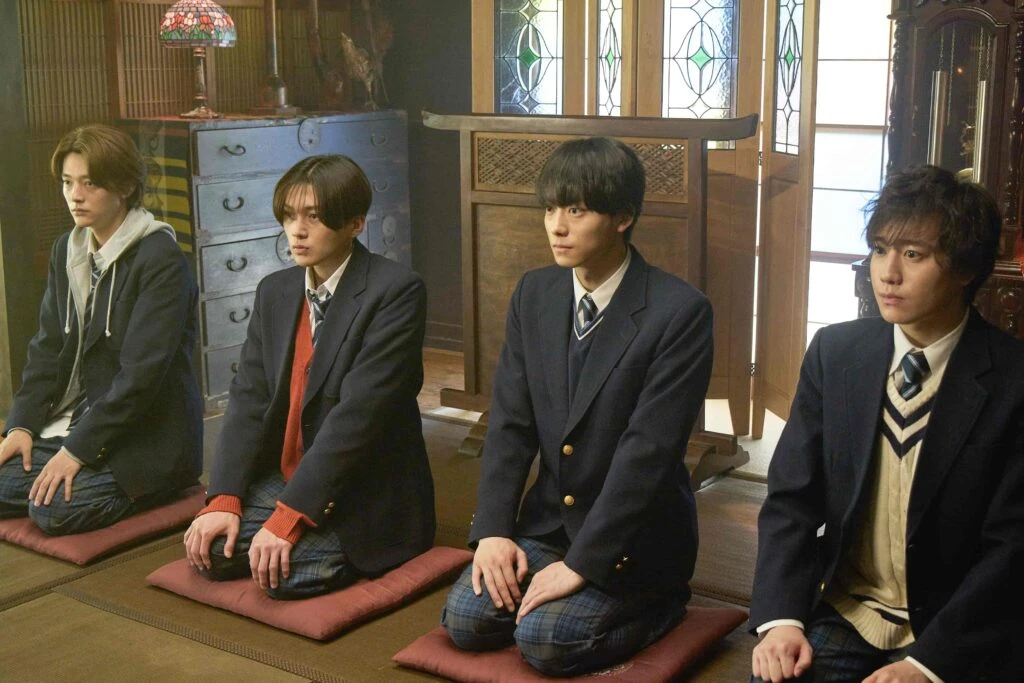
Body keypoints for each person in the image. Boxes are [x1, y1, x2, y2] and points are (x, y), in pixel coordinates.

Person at [441, 137, 713, 675]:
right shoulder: (534, 293)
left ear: (623, 217)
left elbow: (648, 455)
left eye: (577, 210)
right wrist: (493, 530)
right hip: (548, 524)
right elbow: (511, 424)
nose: (556, 227)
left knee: (547, 641)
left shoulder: (680, 312)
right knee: (466, 622)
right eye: (550, 209)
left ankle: (662, 605)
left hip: (634, 538)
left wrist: (583, 565)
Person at [750, 165, 1024, 683]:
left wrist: (926, 664)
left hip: (955, 629)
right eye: (879, 249)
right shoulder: (836, 353)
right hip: (850, 610)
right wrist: (781, 619)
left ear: (965, 269)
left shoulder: (1013, 380)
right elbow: (791, 499)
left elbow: (1012, 548)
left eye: (913, 254)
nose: (887, 273)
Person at [183, 154, 434, 599]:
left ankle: (331, 543)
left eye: (314, 217)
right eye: (289, 215)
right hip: (291, 473)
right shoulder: (276, 290)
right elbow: (248, 398)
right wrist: (223, 496)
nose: (297, 231)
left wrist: (290, 515)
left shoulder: (396, 290)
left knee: (282, 576)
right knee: (214, 550)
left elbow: (360, 417)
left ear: (355, 223)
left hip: (365, 490)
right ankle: (290, 529)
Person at [0, 123, 202, 534]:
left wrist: (77, 451)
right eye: (67, 182)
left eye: (89, 183)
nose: (75, 195)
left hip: (144, 435)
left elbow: (140, 379)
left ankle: (156, 487)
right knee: (23, 480)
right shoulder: (67, 249)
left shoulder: (160, 259)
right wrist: (20, 426)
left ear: (124, 186)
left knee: (53, 511)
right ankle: (54, 470)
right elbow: (47, 349)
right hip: (76, 421)